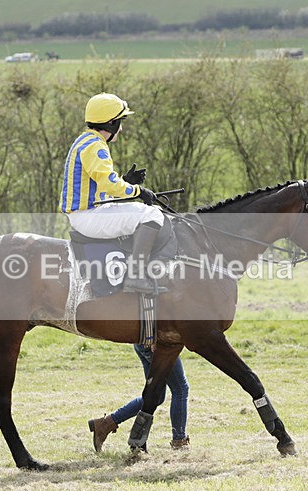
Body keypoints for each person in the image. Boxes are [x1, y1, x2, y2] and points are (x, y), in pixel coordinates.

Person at [59, 92, 164, 293]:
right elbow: (107, 183)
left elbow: (99, 186)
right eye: (120, 122)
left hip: (89, 212)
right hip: (88, 216)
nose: (121, 128)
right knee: (152, 215)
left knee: (144, 212)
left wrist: (125, 182)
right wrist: (138, 191)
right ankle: (136, 277)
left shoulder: (86, 140)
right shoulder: (95, 146)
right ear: (111, 124)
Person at [88, 343, 190, 451]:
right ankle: (179, 441)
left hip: (143, 343)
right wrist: (153, 339)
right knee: (180, 389)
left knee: (156, 396)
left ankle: (105, 424)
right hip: (158, 344)